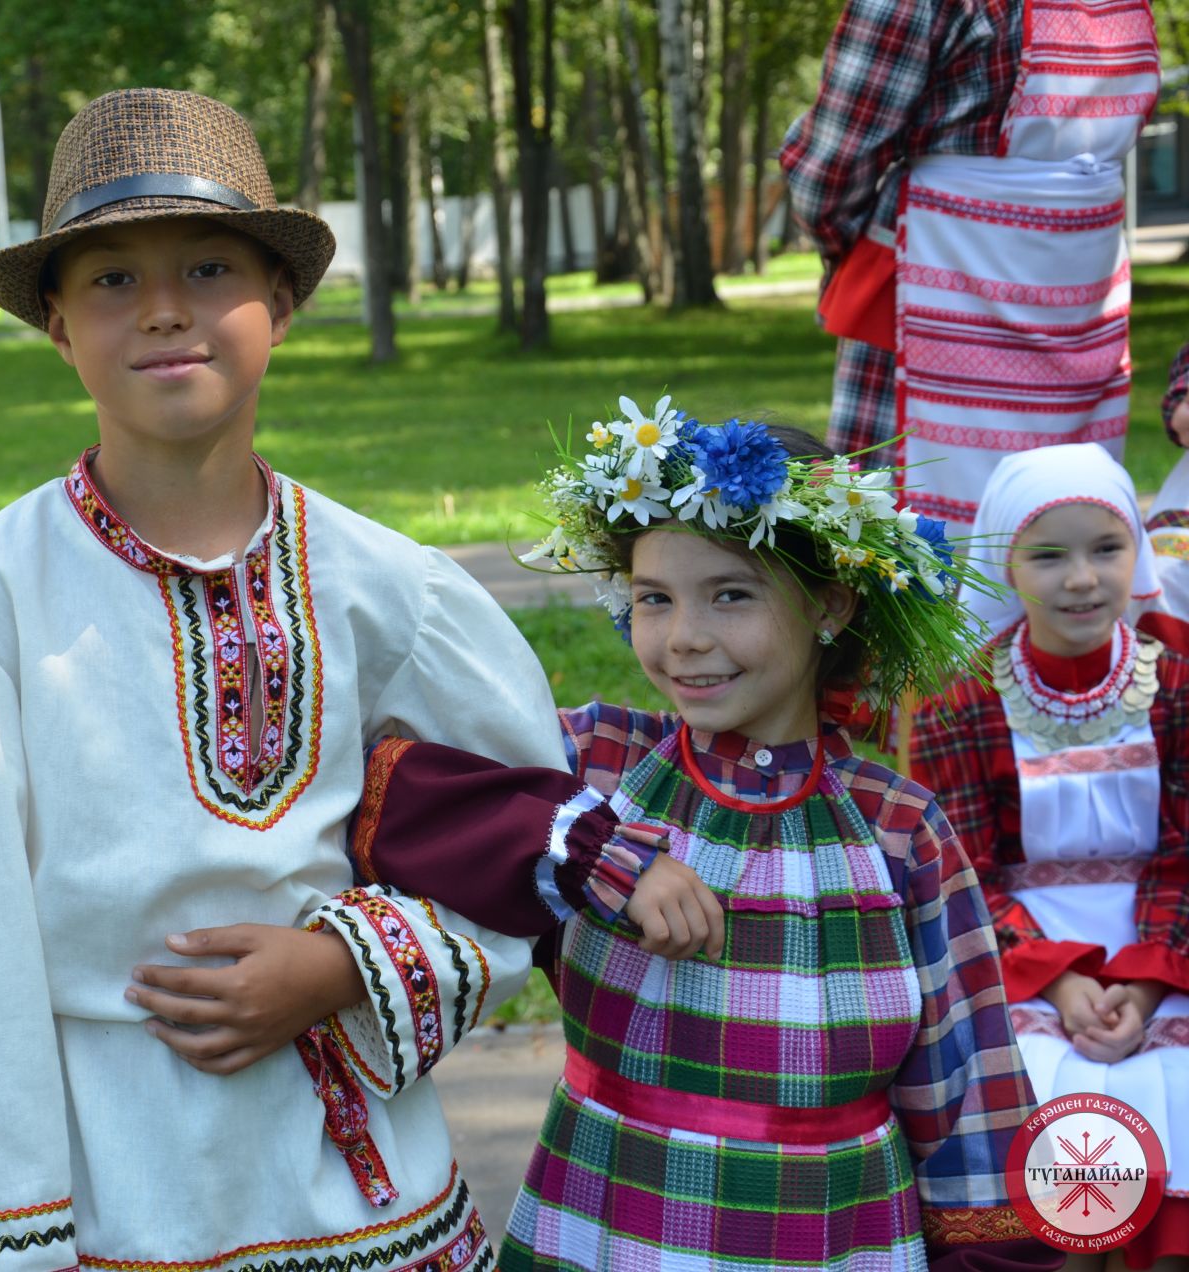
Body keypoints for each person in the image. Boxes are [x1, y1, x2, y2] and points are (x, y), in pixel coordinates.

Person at [0, 87, 562, 1265]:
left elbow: (519, 843)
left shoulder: (389, 588)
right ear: (56, 325)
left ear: (281, 303)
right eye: (108, 280)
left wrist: (339, 964)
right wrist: (2, 1235)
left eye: (206, 268)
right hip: (114, 1182)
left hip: (359, 1185)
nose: (161, 312)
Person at [329, 402, 1057, 1268]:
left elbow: (966, 1086)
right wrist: (593, 849)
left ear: (830, 603)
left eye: (731, 596)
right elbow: (392, 787)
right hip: (607, 1221)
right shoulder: (598, 768)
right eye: (654, 599)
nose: (684, 639)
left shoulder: (898, 830)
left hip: (831, 1236)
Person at [911, 443, 1189, 1271]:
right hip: (1016, 961)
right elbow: (965, 877)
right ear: (1006, 562)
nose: (1081, 579)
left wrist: (1143, 987)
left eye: (1106, 548)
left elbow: (1183, 859)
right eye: (1049, 555)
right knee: (1047, 1115)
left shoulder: (1173, 686)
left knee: (1172, 1089)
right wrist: (1064, 986)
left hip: (1164, 952)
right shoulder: (961, 702)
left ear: (1137, 551)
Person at [781, 0, 1159, 531]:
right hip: (1080, 292)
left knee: (903, 550)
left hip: (940, 272)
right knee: (1070, 528)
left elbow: (831, 165)